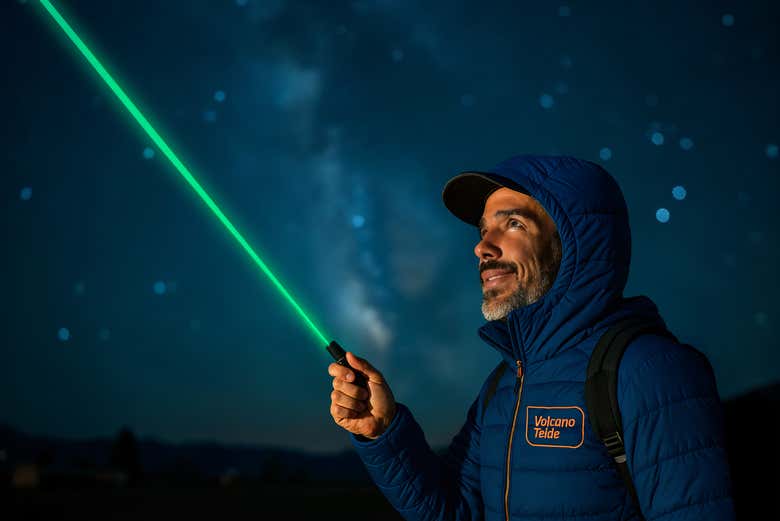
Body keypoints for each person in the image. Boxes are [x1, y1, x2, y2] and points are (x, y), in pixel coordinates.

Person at [328, 155, 736, 520]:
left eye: (514, 224)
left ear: (574, 244)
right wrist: (383, 431)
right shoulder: (505, 385)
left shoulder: (650, 372)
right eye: (483, 230)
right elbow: (457, 511)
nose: (482, 248)